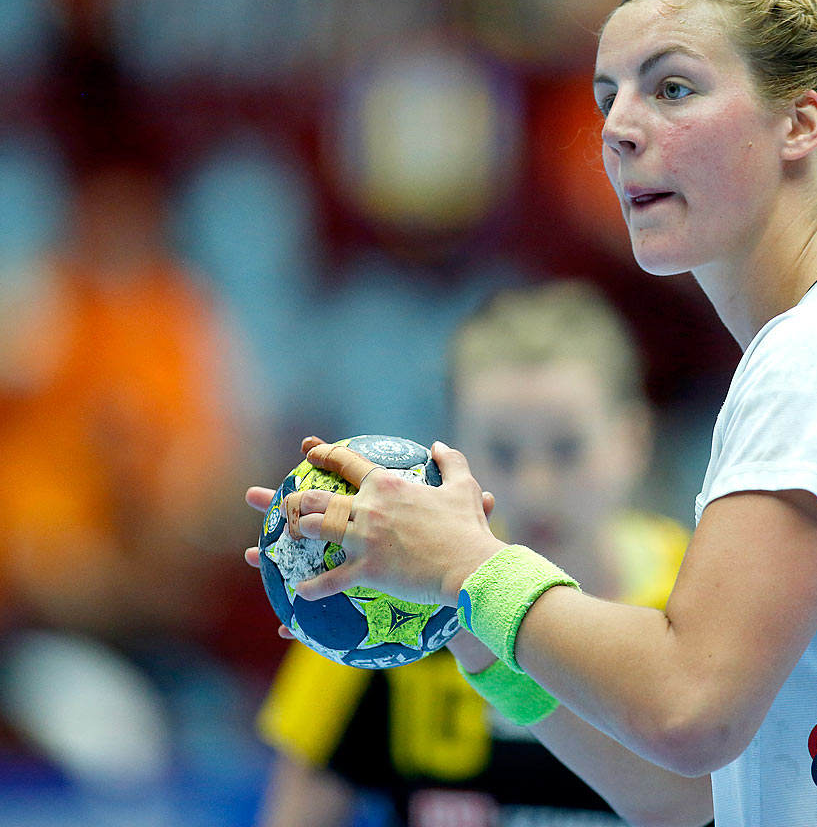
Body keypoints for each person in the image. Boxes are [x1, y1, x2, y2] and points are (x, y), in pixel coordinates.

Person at [248, 0, 817, 826]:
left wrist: (469, 565)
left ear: (800, 123)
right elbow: (689, 796)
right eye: (608, 95)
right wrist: (476, 634)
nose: (618, 128)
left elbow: (689, 710)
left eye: (673, 88)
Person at [253, 281, 693, 827]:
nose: (536, 489)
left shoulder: (698, 596)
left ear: (633, 439)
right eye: (503, 453)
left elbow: (701, 801)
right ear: (452, 450)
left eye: (567, 448)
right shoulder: (378, 599)